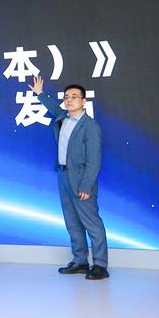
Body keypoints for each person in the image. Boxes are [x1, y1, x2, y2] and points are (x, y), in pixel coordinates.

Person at [30, 76, 109, 280]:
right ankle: (80, 260)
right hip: (63, 176)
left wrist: (87, 185)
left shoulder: (90, 126)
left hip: (81, 178)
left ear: (84, 101)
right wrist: (40, 93)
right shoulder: (63, 117)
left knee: (91, 222)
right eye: (66, 97)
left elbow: (94, 160)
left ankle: (100, 264)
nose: (69, 100)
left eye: (74, 96)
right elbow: (52, 108)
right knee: (72, 221)